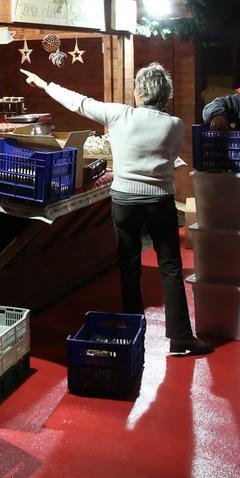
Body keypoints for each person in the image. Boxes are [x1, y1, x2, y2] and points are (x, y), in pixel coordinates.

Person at [21, 63, 212, 356]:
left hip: (124, 201)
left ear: (139, 91)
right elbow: (171, 156)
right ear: (165, 94)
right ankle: (181, 336)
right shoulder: (173, 124)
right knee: (171, 267)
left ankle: (133, 332)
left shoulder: (120, 114)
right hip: (159, 200)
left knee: (129, 267)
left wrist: (45, 84)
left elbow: (79, 103)